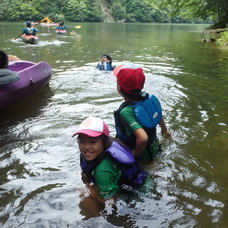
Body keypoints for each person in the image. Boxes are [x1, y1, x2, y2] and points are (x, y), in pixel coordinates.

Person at [72, 116, 147, 217]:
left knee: (84, 198)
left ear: (104, 141)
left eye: (92, 142)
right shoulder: (104, 147)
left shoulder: (103, 171)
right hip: (139, 178)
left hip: (137, 193)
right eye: (82, 141)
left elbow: (109, 201)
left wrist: (89, 190)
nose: (86, 147)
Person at [113, 64, 171, 162]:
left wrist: (135, 154)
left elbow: (143, 138)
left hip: (143, 156)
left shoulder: (126, 111)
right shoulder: (149, 100)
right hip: (154, 147)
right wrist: (164, 130)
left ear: (119, 87)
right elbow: (158, 115)